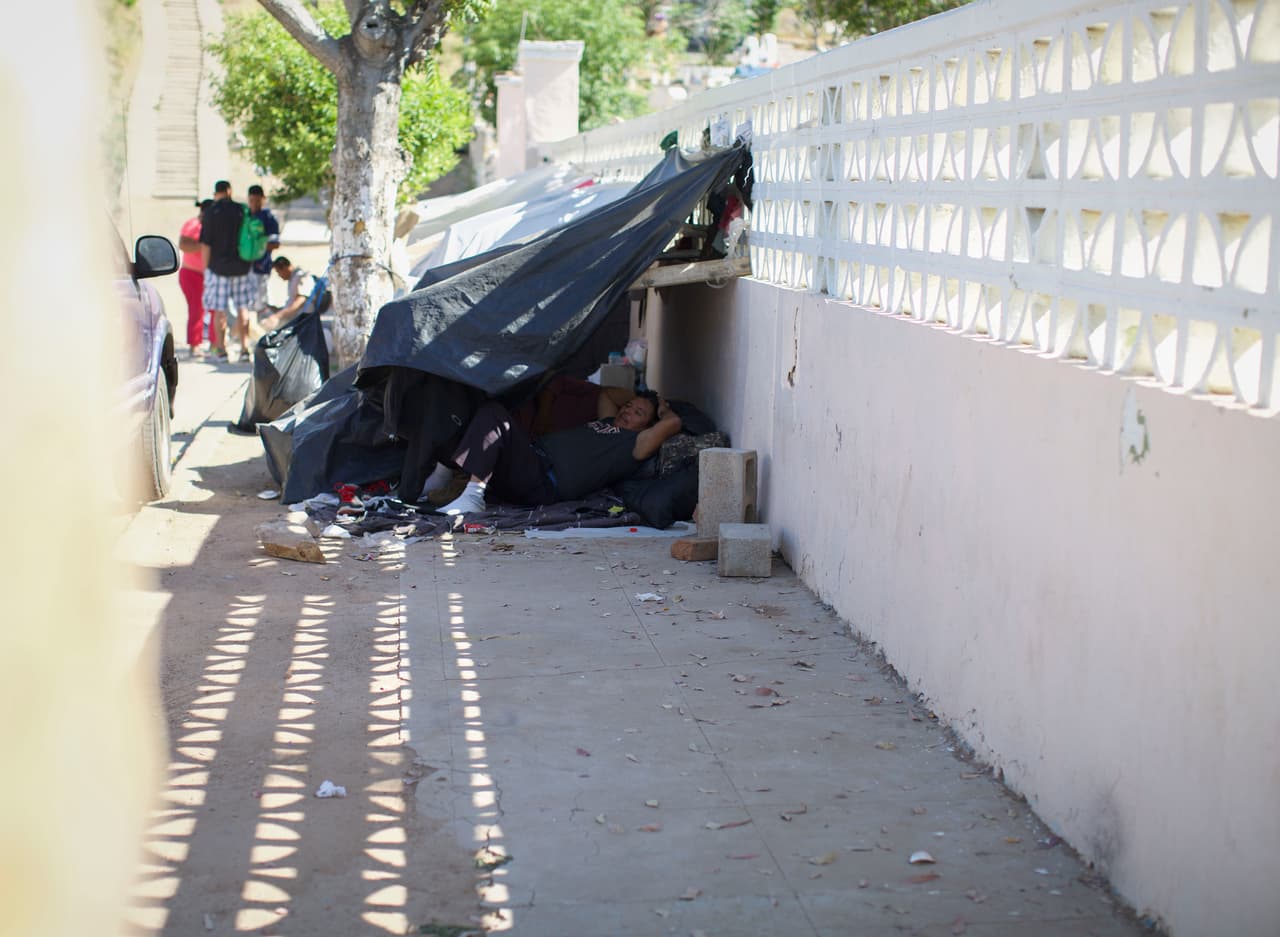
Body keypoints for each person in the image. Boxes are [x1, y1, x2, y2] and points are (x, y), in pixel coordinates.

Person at [433, 391, 682, 516]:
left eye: (638, 413)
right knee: (464, 409)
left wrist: (660, 408)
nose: (627, 411)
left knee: (494, 413)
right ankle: (439, 479)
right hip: (531, 461)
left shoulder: (635, 442)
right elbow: (607, 393)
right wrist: (642, 396)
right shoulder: (606, 419)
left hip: (544, 480)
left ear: (648, 426)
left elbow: (673, 424)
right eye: (628, 406)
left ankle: (473, 497)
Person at [198, 180, 256, 361]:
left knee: (219, 310)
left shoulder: (211, 212)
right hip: (241, 267)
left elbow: (206, 244)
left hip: (218, 268)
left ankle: (222, 350)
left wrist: (206, 267)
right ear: (229, 191)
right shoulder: (242, 210)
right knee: (242, 308)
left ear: (217, 193)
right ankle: (245, 348)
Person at [242, 183, 280, 354]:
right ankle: (250, 341)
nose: (254, 203)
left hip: (261, 268)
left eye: (258, 200)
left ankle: (263, 343)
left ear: (263, 200)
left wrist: (258, 246)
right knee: (245, 307)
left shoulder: (269, 218)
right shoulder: (244, 216)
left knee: (261, 305)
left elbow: (275, 243)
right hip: (243, 269)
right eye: (252, 200)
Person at [177, 199, 213, 358]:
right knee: (196, 309)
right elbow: (184, 244)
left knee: (215, 309)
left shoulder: (213, 226)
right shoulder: (193, 225)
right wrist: (204, 244)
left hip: (209, 274)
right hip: (192, 273)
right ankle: (194, 344)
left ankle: (215, 343)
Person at [259, 255, 316, 331]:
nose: (279, 276)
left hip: (299, 318)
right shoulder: (292, 279)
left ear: (285, 268)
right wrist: (275, 309)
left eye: (278, 272)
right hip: (290, 316)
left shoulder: (301, 277)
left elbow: (299, 303)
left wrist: (277, 316)